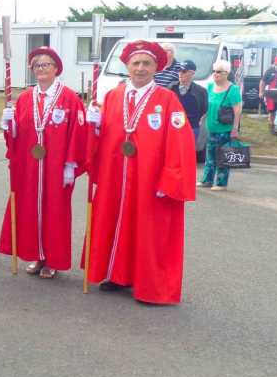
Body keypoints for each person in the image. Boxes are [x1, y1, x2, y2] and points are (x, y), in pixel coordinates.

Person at [83, 40, 196, 305]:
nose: (141, 68)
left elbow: (180, 143)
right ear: (127, 66)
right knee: (116, 223)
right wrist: (94, 127)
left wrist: (170, 178)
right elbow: (103, 138)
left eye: (147, 63)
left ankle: (148, 285)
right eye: (136, 63)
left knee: (148, 230)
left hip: (149, 179)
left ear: (156, 67)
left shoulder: (168, 100)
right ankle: (116, 274)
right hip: (116, 177)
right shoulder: (113, 96)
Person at [0, 47, 87, 278]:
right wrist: (9, 125)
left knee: (54, 211)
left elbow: (78, 133)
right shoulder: (26, 97)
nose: (41, 69)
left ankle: (52, 260)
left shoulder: (69, 97)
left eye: (46, 64)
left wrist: (70, 165)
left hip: (56, 166)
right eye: (37, 65)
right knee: (30, 209)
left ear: (56, 69)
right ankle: (37, 256)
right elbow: (19, 133)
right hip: (30, 165)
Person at [199, 60, 242, 192]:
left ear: (226, 73)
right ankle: (207, 180)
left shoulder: (233, 89)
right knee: (209, 156)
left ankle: (221, 183)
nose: (215, 74)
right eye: (214, 71)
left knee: (223, 157)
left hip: (225, 129)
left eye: (218, 72)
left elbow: (237, 110)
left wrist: (235, 128)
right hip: (211, 127)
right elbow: (208, 105)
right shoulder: (210, 87)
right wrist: (202, 117)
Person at [170, 59, 208, 143]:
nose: (180, 73)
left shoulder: (201, 91)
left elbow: (204, 110)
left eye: (183, 71)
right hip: (173, 129)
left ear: (192, 73)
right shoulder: (170, 88)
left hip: (192, 129)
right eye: (179, 70)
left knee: (190, 154)